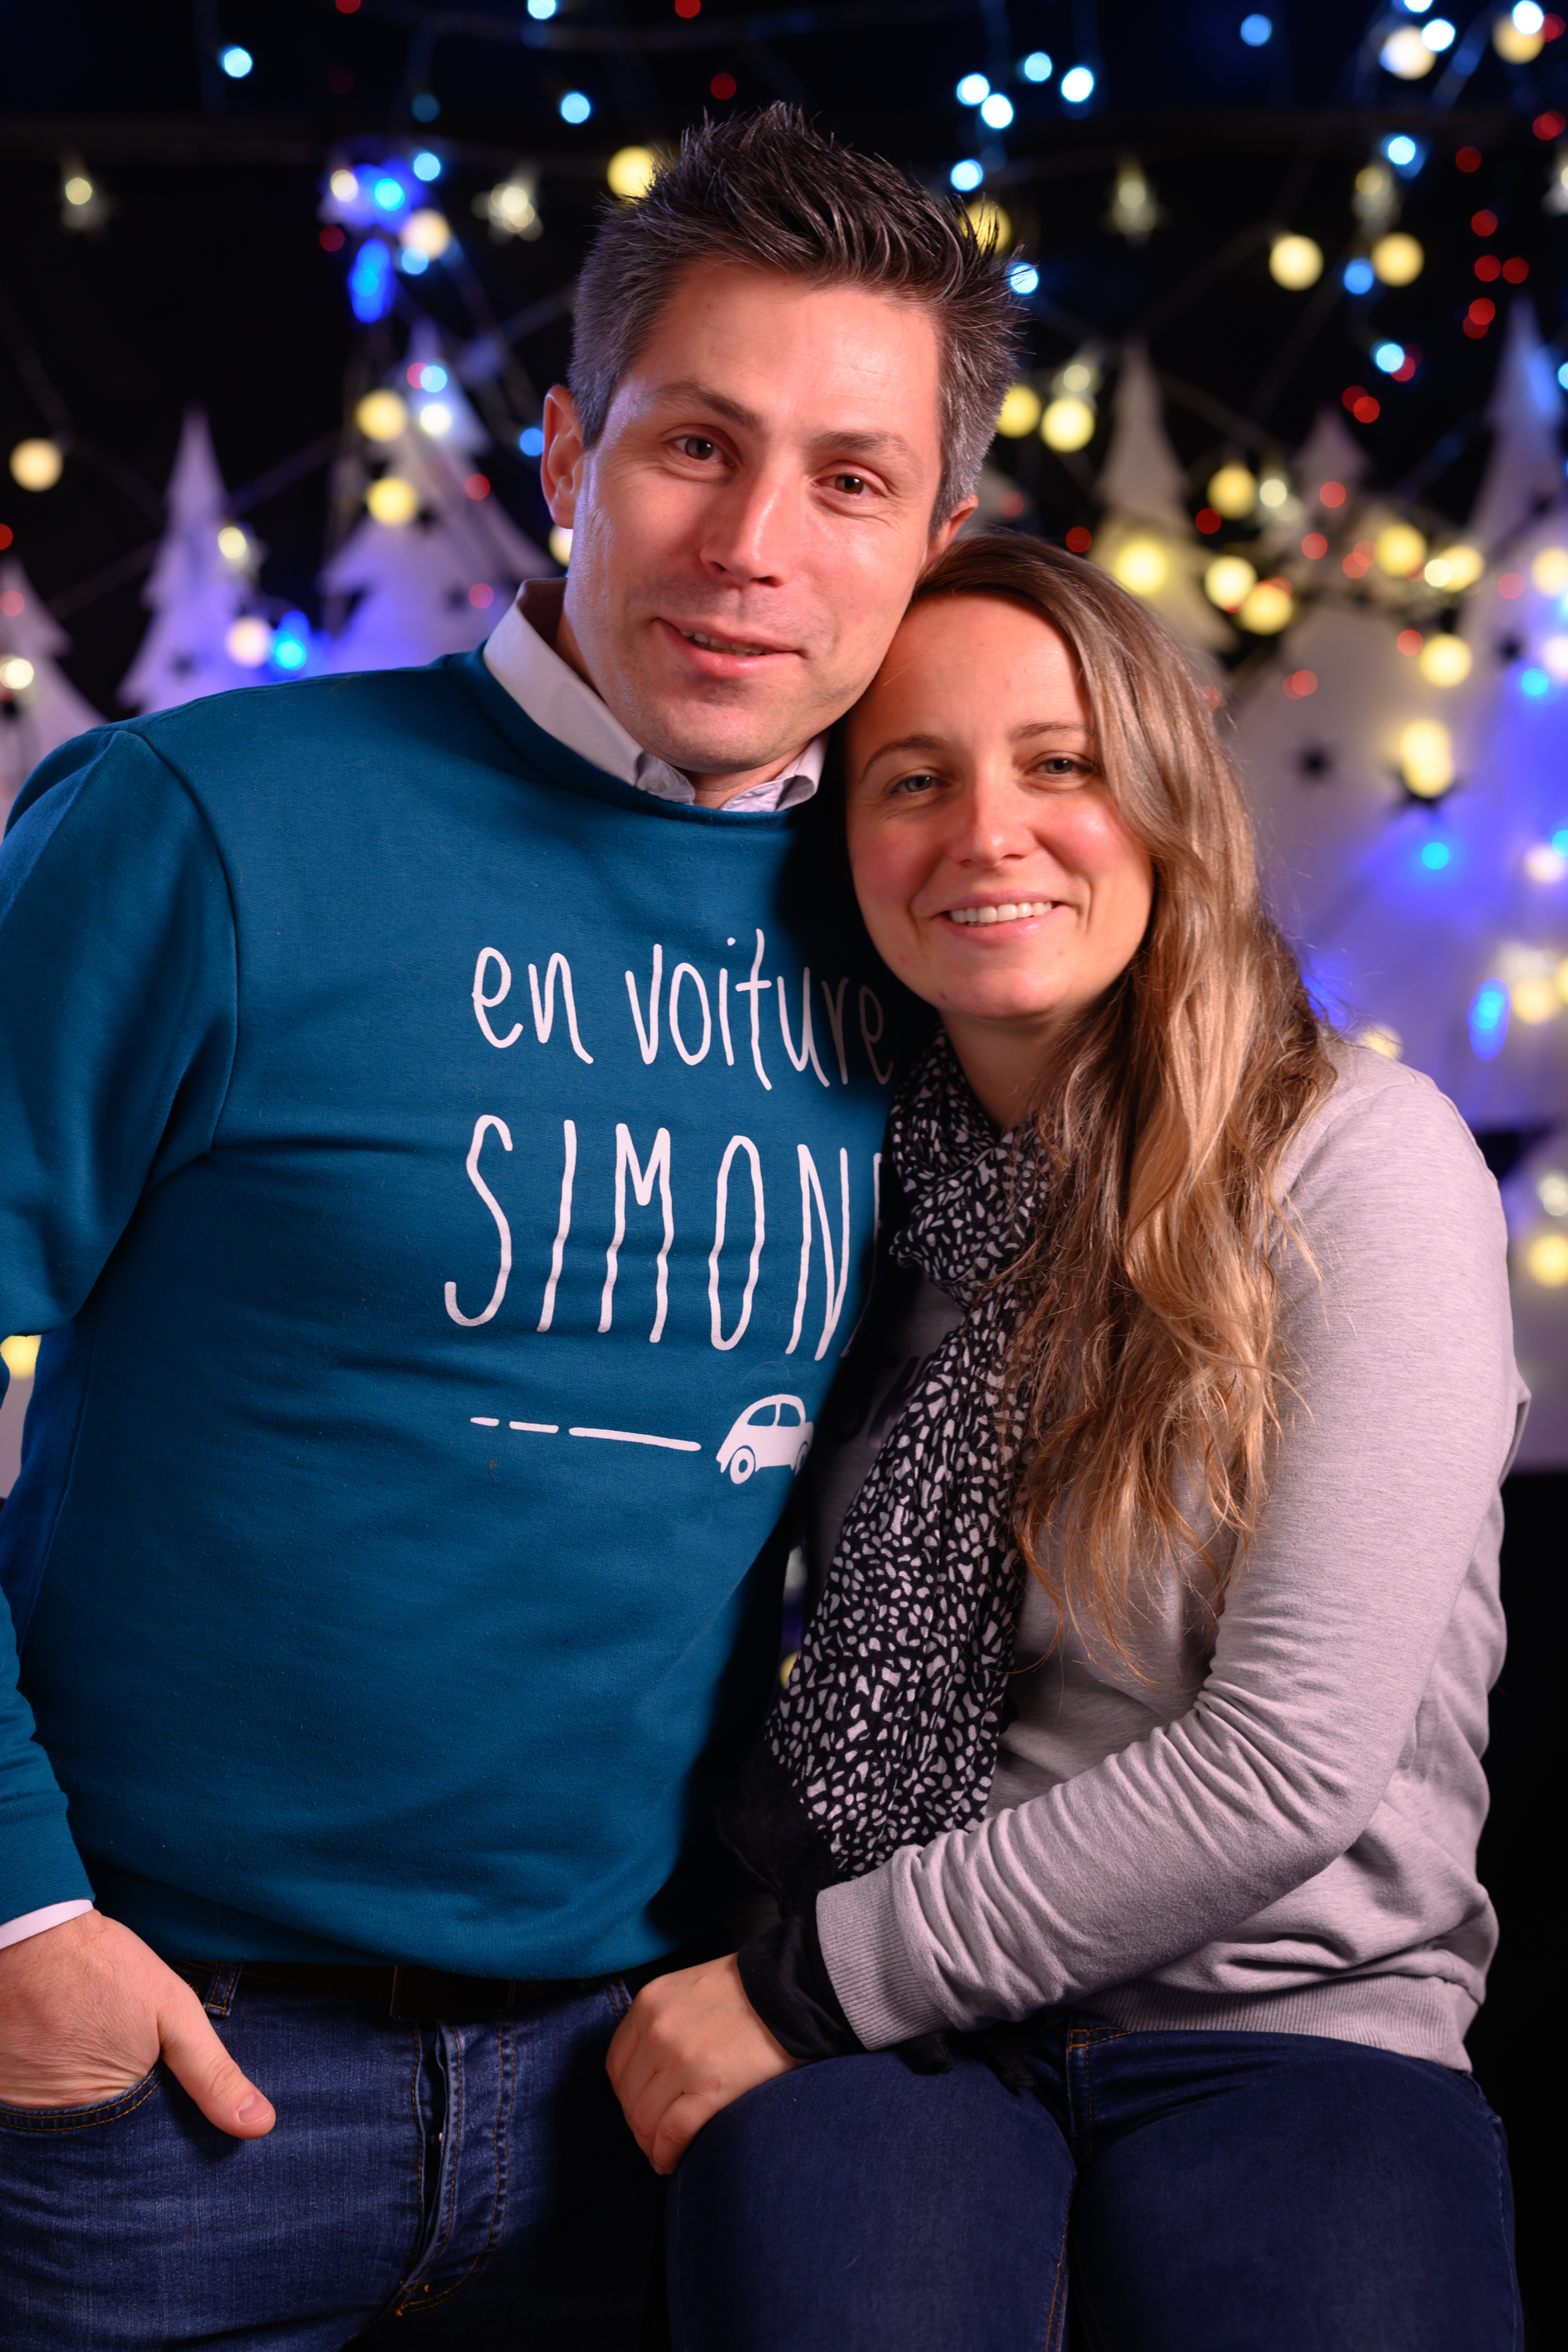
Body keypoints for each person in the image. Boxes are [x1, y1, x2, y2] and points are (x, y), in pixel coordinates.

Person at [0, 111, 1018, 2347]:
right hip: (156, 2081)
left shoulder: (928, 926)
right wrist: (15, 1923)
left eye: (850, 480)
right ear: (564, 453)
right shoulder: (206, 826)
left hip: (636, 2098)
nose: (753, 546)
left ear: (935, 543)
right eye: (693, 445)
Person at [605, 534, 1527, 2350]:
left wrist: (792, 1990)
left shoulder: (1361, 1162)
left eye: (1060, 765)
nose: (988, 835)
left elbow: (1283, 1770)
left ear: (1166, 800)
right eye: (912, 780)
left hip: (1285, 2023)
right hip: (902, 2029)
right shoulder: (835, 1188)